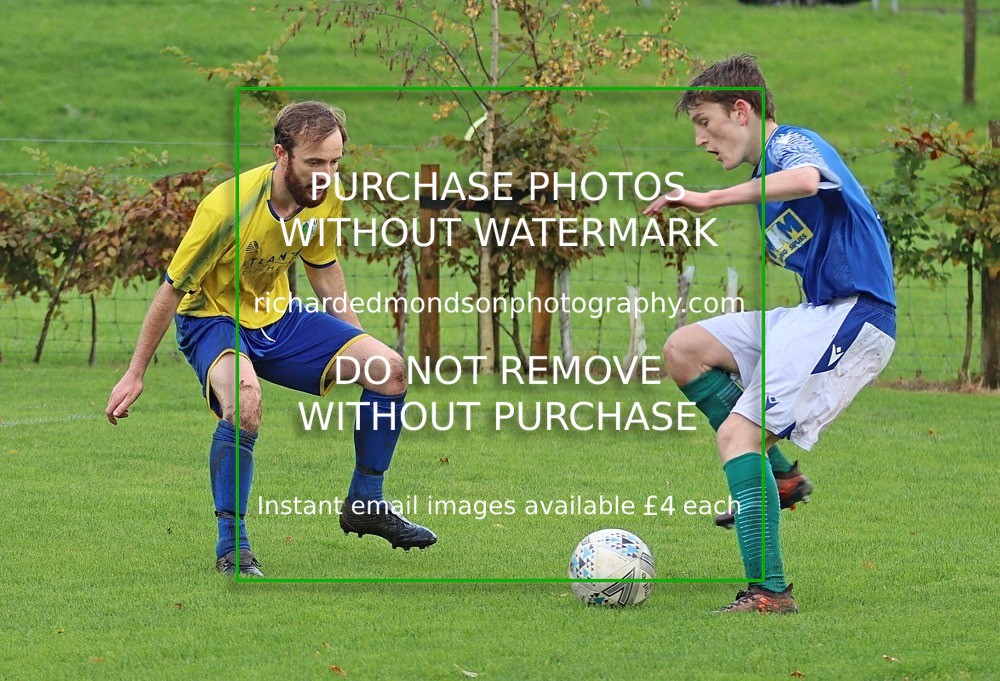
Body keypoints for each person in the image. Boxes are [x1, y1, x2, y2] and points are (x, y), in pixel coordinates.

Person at [106, 101, 436, 577]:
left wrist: (355, 342)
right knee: (245, 404)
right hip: (212, 318)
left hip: (277, 318)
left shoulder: (326, 195)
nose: (326, 175)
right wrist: (135, 373)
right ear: (282, 154)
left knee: (389, 370)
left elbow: (323, 268)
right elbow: (171, 290)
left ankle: (366, 503)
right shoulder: (228, 208)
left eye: (335, 162)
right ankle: (232, 547)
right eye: (314, 162)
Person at [643, 55, 896, 613]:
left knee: (738, 437)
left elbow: (807, 180)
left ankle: (770, 593)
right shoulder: (763, 182)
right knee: (683, 351)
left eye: (704, 122)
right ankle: (779, 479)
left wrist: (707, 198)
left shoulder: (792, 145)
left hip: (857, 315)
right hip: (817, 311)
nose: (700, 140)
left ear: (742, 110)